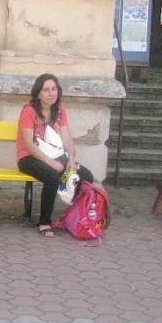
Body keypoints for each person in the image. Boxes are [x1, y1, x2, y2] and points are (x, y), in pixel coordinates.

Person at [16, 73, 94, 238]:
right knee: (52, 176)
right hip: (29, 157)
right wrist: (51, 163)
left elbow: (66, 137)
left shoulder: (60, 112)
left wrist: (71, 159)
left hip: (56, 155)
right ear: (38, 93)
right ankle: (44, 222)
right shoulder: (29, 111)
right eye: (46, 90)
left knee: (86, 176)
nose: (51, 93)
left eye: (54, 89)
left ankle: (72, 216)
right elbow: (29, 144)